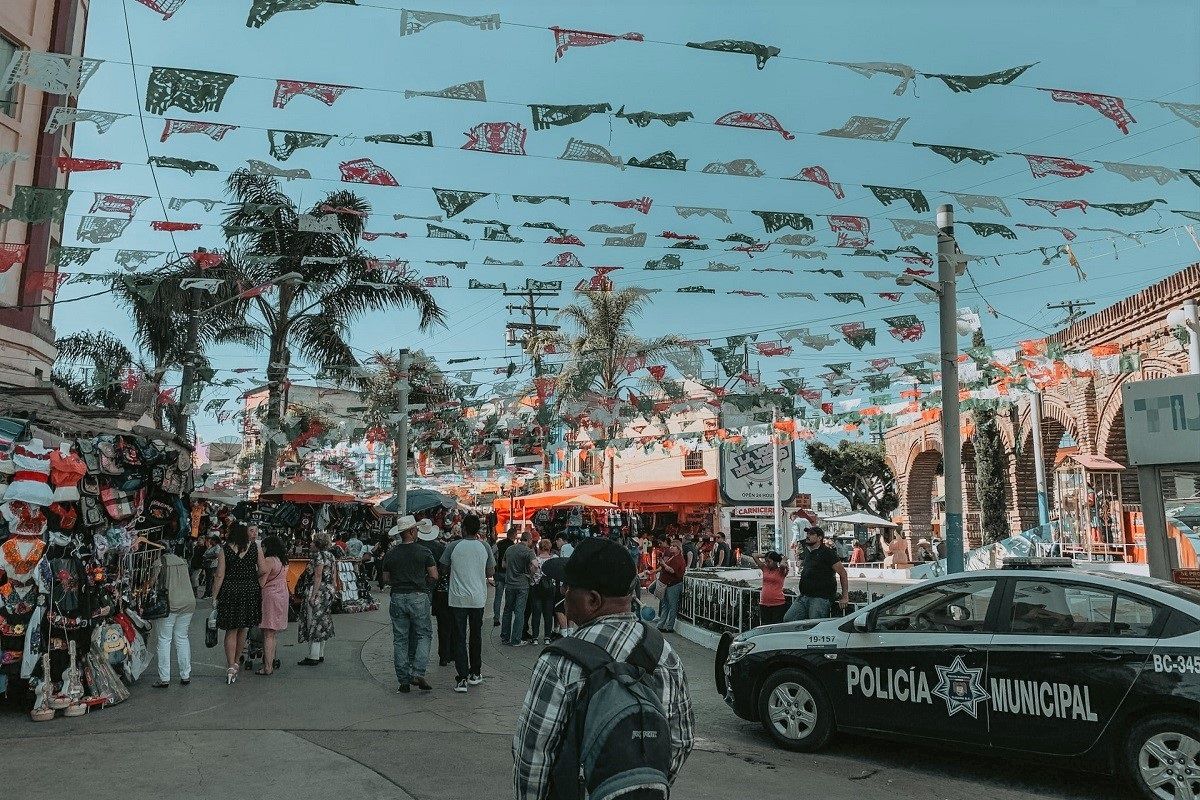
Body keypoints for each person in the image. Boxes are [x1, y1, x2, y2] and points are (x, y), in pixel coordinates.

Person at [513, 538, 695, 800]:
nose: (564, 592)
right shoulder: (663, 652)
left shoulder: (560, 662)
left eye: (569, 586)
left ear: (592, 600)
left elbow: (533, 755)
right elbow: (682, 739)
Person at [383, 515, 437, 693]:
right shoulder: (423, 552)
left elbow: (386, 579)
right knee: (423, 634)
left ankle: (403, 680)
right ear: (413, 531)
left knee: (400, 639)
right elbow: (434, 575)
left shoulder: (391, 553)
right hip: (418, 596)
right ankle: (417, 671)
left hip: (398, 597)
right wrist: (422, 582)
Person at [441, 514, 494, 692]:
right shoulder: (485, 546)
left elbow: (444, 568)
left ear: (463, 529)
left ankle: (462, 677)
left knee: (459, 637)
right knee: (476, 636)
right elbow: (490, 571)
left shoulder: (453, 546)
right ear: (478, 530)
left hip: (457, 599)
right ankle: (475, 673)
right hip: (478, 598)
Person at [212, 522, 261, 685]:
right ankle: (237, 662)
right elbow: (263, 568)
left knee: (230, 630)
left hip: (230, 590)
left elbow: (220, 575)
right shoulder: (254, 547)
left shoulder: (224, 550)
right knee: (243, 627)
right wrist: (254, 577)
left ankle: (231, 664)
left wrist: (214, 596)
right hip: (249, 589)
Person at [152, 540, 196, 688]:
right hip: (188, 603)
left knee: (164, 640)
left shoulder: (159, 562)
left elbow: (152, 582)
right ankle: (185, 675)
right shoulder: (182, 561)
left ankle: (164, 678)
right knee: (182, 638)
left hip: (170, 604)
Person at [783, 526, 849, 622]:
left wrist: (845, 596)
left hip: (820, 598)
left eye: (811, 534)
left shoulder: (827, 553)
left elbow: (843, 573)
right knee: (789, 619)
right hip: (804, 596)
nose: (808, 536)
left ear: (819, 537)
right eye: (807, 534)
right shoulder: (809, 552)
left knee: (815, 624)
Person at [415, 518, 454, 668]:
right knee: (444, 624)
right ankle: (444, 655)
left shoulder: (415, 547)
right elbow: (446, 568)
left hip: (419, 588)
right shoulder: (440, 547)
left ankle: (417, 658)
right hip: (439, 589)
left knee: (419, 626)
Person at [297, 532, 336, 666]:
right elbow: (333, 574)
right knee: (323, 621)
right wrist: (334, 590)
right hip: (328, 590)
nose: (311, 544)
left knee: (312, 621)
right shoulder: (331, 556)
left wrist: (313, 595)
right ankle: (320, 653)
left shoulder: (318, 556)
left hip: (317, 591)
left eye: (313, 542)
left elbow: (317, 576)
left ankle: (313, 655)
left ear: (318, 544)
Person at [256, 534, 289, 676]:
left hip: (270, 597)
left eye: (263, 546)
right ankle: (271, 661)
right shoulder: (282, 561)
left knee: (268, 633)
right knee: (273, 633)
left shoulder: (268, 560)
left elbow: (261, 582)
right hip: (282, 595)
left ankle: (267, 667)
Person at [501, 532, 535, 646]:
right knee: (519, 612)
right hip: (522, 585)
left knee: (507, 611)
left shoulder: (510, 549)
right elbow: (535, 565)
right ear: (529, 540)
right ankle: (516, 639)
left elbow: (503, 565)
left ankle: (505, 637)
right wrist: (530, 574)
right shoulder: (529, 552)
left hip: (510, 584)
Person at [528, 539, 557, 645]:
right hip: (550, 588)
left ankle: (535, 638)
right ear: (549, 548)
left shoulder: (535, 560)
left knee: (536, 613)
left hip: (536, 588)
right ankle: (547, 637)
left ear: (539, 548)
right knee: (548, 613)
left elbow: (531, 574)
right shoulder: (554, 559)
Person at [655, 539, 687, 633]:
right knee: (666, 604)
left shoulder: (679, 559)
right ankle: (661, 625)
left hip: (674, 584)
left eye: (673, 546)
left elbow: (672, 570)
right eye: (671, 546)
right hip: (668, 583)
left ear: (678, 548)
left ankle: (669, 627)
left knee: (672, 605)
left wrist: (664, 564)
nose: (671, 547)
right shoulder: (673, 557)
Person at [754, 551, 789, 626]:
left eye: (769, 561)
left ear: (775, 561)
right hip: (764, 602)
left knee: (776, 627)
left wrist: (782, 559)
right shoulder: (765, 568)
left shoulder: (781, 571)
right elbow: (754, 556)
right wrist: (767, 556)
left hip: (778, 603)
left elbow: (782, 564)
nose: (766, 563)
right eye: (766, 561)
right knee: (765, 626)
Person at [493, 527, 517, 626]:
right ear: (514, 535)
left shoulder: (499, 544)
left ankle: (496, 618)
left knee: (498, 597)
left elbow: (492, 553)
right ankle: (507, 617)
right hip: (509, 574)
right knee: (509, 597)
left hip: (499, 573)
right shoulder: (513, 547)